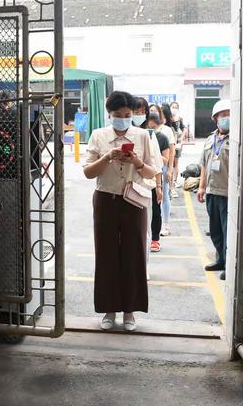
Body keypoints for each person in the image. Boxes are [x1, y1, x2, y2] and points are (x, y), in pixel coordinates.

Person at [84, 91, 157, 332]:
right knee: (106, 253)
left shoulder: (143, 135)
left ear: (134, 114)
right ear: (109, 114)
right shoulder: (98, 135)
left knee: (133, 253)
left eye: (127, 115)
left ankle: (130, 312)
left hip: (133, 199)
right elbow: (88, 172)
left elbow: (151, 172)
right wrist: (107, 157)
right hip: (105, 199)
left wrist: (135, 161)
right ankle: (109, 310)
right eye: (117, 115)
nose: (123, 119)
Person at [197, 99, 230, 281]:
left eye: (229, 114)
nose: (227, 118)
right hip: (211, 191)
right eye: (223, 115)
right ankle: (219, 260)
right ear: (215, 118)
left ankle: (227, 263)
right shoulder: (211, 139)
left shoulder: (237, 138)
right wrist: (201, 187)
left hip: (227, 192)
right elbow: (203, 164)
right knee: (215, 229)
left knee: (227, 231)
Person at [132, 98, 164, 262]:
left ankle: (143, 266)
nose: (139, 115)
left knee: (144, 229)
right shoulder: (125, 133)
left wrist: (158, 187)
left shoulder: (150, 135)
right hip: (127, 188)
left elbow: (157, 163)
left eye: (142, 112)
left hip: (146, 187)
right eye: (136, 112)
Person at [149, 104, 175, 236]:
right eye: (150, 110)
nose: (152, 112)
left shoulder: (166, 131)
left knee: (163, 196)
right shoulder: (143, 131)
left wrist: (170, 170)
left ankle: (165, 224)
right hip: (148, 169)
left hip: (162, 168)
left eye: (154, 111)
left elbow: (171, 152)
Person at [147, 109, 170, 253]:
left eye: (153, 127)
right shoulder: (140, 136)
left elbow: (166, 159)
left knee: (156, 210)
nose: (151, 130)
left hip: (156, 177)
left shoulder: (162, 138)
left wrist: (153, 156)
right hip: (141, 180)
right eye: (148, 127)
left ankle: (155, 239)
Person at [169, 101, 186, 196]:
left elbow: (184, 129)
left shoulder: (179, 119)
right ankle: (171, 185)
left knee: (176, 163)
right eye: (172, 107)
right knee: (170, 163)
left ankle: (174, 181)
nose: (174, 109)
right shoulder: (168, 119)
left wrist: (181, 139)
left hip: (178, 144)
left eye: (176, 107)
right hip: (170, 144)